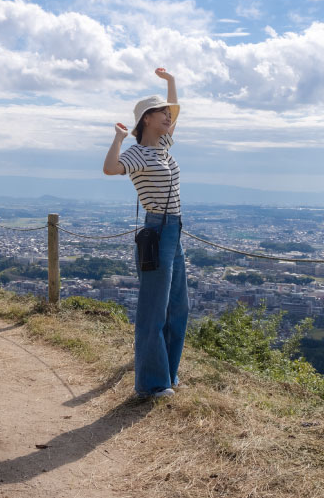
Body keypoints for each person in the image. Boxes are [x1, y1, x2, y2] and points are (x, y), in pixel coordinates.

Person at [103, 67, 186, 399]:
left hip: (175, 229)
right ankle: (151, 385)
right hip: (157, 228)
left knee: (178, 307)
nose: (169, 116)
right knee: (154, 307)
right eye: (162, 113)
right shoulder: (136, 153)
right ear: (146, 120)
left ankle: (168, 373)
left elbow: (177, 114)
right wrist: (118, 138)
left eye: (168, 112)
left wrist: (171, 83)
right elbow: (110, 169)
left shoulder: (164, 144)